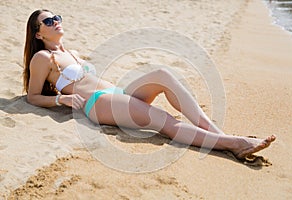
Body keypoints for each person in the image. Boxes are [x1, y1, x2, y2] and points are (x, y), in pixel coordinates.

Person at [23, 9, 275, 161]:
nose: (55, 21)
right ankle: (235, 144)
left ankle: (219, 135)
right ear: (38, 34)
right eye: (48, 21)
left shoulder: (73, 51)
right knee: (164, 120)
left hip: (115, 94)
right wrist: (61, 99)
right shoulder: (43, 58)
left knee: (162, 74)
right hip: (97, 103)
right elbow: (32, 96)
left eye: (56, 17)